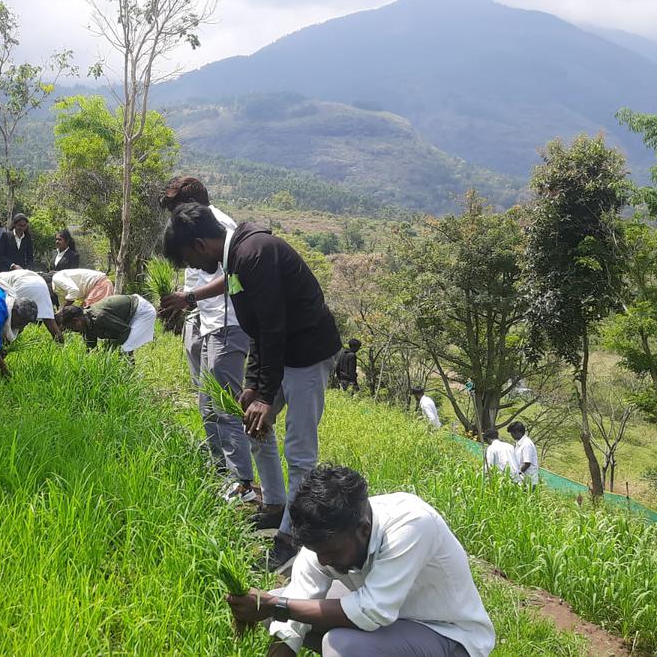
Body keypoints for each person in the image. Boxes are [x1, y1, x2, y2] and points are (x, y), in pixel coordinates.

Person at [163, 202, 342, 572]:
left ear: (199, 244)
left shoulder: (254, 254)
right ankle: (275, 506)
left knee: (300, 451)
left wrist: (263, 393)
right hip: (282, 352)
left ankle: (293, 538)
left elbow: (273, 327)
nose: (194, 269)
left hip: (307, 354)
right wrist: (252, 386)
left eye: (188, 260)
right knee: (254, 425)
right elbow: (259, 328)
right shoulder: (237, 258)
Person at [226, 464, 495, 657]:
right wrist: (275, 612)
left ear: (364, 529)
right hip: (392, 621)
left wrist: (278, 606)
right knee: (277, 605)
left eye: (331, 553)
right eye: (317, 552)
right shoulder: (324, 536)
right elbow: (291, 618)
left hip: (448, 635)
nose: (323, 561)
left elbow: (372, 611)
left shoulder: (411, 523)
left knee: (342, 645)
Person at [158, 176, 266, 511]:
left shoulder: (219, 227)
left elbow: (232, 276)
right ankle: (223, 471)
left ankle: (244, 483)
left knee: (226, 405)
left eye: (176, 209)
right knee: (207, 403)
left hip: (227, 324)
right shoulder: (195, 229)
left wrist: (188, 297)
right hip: (207, 323)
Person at [0, 268, 64, 342]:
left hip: (23, 284)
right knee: (46, 321)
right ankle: (61, 346)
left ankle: (4, 346)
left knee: (14, 319)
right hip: (34, 285)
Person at [56, 294, 157, 354]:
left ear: (75, 321)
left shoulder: (99, 317)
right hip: (128, 314)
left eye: (72, 328)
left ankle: (130, 380)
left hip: (142, 310)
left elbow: (125, 330)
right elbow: (91, 349)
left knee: (124, 348)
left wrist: (110, 349)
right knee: (113, 348)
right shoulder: (86, 323)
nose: (75, 331)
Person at [49, 268, 115, 307]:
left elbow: (74, 291)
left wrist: (64, 310)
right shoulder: (57, 291)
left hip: (99, 283)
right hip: (96, 285)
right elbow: (63, 305)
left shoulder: (56, 278)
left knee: (90, 314)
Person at [508, 421, 539, 487]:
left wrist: (517, 474)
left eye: (512, 433)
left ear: (516, 432)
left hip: (528, 481)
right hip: (521, 480)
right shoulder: (518, 443)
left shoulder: (526, 444)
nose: (511, 436)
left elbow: (527, 463)